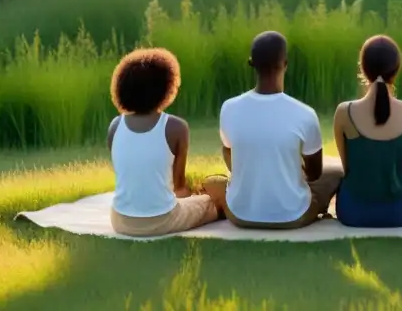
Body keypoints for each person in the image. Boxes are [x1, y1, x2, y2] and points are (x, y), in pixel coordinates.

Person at [204, 31, 343, 229]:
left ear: (251, 63)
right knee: (335, 170)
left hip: (240, 214)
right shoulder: (305, 114)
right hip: (292, 216)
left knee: (220, 169)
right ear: (285, 63)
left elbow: (229, 154)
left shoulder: (229, 108)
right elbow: (314, 174)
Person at [107, 47, 220, 237]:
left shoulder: (115, 126)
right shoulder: (176, 127)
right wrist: (197, 198)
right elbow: (179, 187)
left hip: (119, 221)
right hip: (162, 221)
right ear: (166, 87)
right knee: (215, 200)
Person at [333, 35, 402, 228]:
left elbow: (348, 169)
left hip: (354, 212)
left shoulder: (344, 112)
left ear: (362, 68)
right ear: (397, 69)